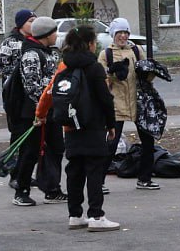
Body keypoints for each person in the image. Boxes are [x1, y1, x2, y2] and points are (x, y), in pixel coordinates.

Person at [36, 25, 120, 231]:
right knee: (94, 170)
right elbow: (105, 99)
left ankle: (75, 215)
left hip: (70, 126)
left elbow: (49, 92)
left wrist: (40, 114)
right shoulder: (94, 67)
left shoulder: (64, 66)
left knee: (74, 170)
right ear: (90, 44)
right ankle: (96, 216)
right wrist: (111, 124)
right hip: (93, 126)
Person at [98, 18, 160, 191]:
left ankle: (145, 179)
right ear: (113, 34)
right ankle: (99, 182)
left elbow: (146, 77)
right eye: (119, 33)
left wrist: (152, 71)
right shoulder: (106, 54)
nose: (123, 36)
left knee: (148, 142)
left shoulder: (136, 50)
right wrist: (111, 74)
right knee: (111, 144)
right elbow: (100, 80)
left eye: (125, 32)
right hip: (116, 104)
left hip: (139, 103)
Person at [11, 16, 66, 206]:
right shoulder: (31, 54)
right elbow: (31, 86)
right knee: (31, 151)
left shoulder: (50, 52)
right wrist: (43, 105)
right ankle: (21, 191)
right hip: (34, 113)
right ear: (46, 34)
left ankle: (52, 189)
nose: (56, 36)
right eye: (54, 32)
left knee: (57, 148)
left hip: (51, 111)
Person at [0, 8, 36, 189]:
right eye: (30, 21)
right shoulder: (10, 43)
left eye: (35, 20)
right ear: (20, 24)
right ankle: (15, 175)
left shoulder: (34, 42)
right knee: (18, 136)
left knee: (32, 138)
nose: (33, 24)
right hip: (15, 97)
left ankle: (26, 174)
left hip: (31, 97)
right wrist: (19, 76)